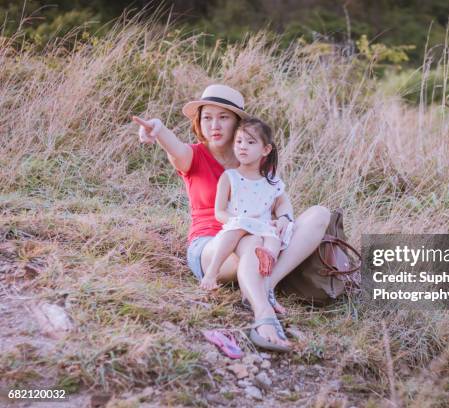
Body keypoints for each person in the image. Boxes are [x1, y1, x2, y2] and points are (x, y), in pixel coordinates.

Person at [132, 84, 330, 351]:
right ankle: (264, 318)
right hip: (211, 247)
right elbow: (175, 148)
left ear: (238, 123)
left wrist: (284, 217)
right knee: (248, 242)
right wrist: (158, 129)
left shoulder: (254, 159)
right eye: (207, 117)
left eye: (223, 117)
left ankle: (266, 285)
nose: (214, 124)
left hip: (259, 241)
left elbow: (278, 199)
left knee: (319, 214)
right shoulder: (193, 156)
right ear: (199, 123)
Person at [205, 118, 293, 305]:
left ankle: (264, 284)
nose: (243, 147)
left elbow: (282, 204)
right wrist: (236, 220)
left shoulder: (271, 181)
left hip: (262, 228)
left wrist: (283, 219)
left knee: (274, 238)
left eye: (250, 142)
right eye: (239, 141)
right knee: (238, 228)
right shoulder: (230, 177)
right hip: (238, 227)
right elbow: (219, 212)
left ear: (266, 150)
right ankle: (212, 273)